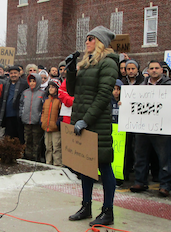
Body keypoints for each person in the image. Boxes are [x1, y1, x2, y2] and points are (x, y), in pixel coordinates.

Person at [66, 25, 118, 226]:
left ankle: (108, 211)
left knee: (104, 165)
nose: (86, 41)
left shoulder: (108, 63)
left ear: (100, 42)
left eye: (90, 38)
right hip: (82, 120)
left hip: (97, 122)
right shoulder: (86, 62)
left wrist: (86, 120)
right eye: (86, 38)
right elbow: (72, 91)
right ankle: (86, 206)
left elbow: (104, 95)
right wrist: (71, 70)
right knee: (84, 167)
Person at [129, 60, 171, 197]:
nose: (154, 70)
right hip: (143, 127)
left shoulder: (170, 86)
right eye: (151, 68)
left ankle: (165, 185)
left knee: (164, 157)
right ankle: (140, 181)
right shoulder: (141, 86)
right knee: (140, 155)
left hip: (162, 128)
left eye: (157, 68)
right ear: (147, 71)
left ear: (162, 70)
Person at [0, 65, 28, 144]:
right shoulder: (6, 84)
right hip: (8, 114)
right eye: (11, 73)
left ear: (19, 74)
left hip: (18, 115)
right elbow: (2, 99)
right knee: (9, 138)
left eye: (15, 73)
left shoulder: (24, 84)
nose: (13, 75)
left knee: (20, 137)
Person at [19, 73, 45, 161]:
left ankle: (36, 158)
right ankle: (28, 157)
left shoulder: (42, 93)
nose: (32, 83)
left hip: (36, 122)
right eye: (30, 81)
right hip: (26, 121)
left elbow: (43, 107)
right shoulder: (25, 92)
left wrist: (40, 117)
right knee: (28, 140)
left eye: (34, 81)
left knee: (36, 142)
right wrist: (21, 114)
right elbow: (21, 104)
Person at [41, 78, 62, 166]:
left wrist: (58, 123)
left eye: (53, 87)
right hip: (46, 127)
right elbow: (42, 112)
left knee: (56, 147)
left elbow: (62, 114)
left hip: (55, 128)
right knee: (48, 147)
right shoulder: (46, 100)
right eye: (50, 87)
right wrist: (42, 122)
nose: (51, 89)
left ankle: (57, 164)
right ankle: (48, 163)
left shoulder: (59, 100)